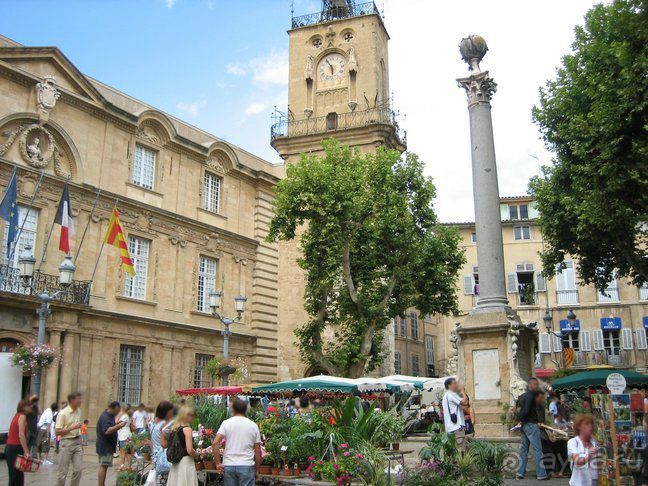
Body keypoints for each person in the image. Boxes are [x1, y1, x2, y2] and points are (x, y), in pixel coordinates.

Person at [213, 398, 262, 486]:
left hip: (229, 464)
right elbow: (258, 450)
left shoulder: (226, 423)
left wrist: (218, 463)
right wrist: (257, 469)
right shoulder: (253, 425)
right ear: (245, 410)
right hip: (246, 464)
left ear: (233, 409)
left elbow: (215, 443)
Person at [515, 378, 549, 480]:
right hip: (531, 424)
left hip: (525, 424)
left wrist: (521, 421)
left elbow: (522, 411)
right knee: (538, 450)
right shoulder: (530, 396)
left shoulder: (525, 396)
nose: (536, 386)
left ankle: (520, 472)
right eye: (534, 384)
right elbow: (525, 410)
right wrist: (523, 419)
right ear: (529, 385)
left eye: (536, 384)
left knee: (524, 450)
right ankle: (541, 474)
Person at [55, 392, 84, 486]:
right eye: (78, 399)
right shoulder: (63, 413)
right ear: (72, 400)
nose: (80, 401)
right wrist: (72, 427)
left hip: (77, 442)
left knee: (78, 470)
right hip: (66, 442)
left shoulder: (79, 411)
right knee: (63, 472)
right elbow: (57, 431)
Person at [166, 405, 198, 486]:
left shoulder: (174, 429)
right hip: (186, 463)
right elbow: (190, 450)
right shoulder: (187, 429)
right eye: (192, 415)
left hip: (176, 463)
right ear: (187, 416)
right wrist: (197, 454)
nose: (193, 418)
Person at [96, 401, 127, 486]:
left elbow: (110, 427)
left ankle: (102, 484)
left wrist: (116, 424)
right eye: (116, 411)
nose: (117, 413)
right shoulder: (106, 417)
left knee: (105, 466)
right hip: (105, 446)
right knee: (103, 465)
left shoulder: (109, 416)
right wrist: (119, 426)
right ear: (112, 409)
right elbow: (106, 430)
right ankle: (101, 484)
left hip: (107, 446)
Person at [5, 398, 33, 486]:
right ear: (24, 407)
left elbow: (10, 433)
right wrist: (26, 451)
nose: (31, 408)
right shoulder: (22, 416)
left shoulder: (16, 415)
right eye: (29, 406)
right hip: (15, 448)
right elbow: (21, 435)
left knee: (14, 475)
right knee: (17, 476)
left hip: (10, 447)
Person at [567, 414, 598, 486]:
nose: (590, 426)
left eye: (591, 424)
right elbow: (578, 462)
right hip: (579, 483)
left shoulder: (595, 442)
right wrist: (589, 455)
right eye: (587, 424)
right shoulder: (573, 442)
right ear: (579, 427)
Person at [151, 400, 175, 486]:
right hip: (164, 459)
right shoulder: (165, 425)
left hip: (156, 457)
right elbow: (165, 444)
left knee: (161, 482)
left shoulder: (154, 424)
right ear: (167, 412)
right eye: (171, 411)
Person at [442, 377, 467, 450]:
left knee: (453, 450)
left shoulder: (445, 396)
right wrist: (462, 391)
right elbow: (465, 402)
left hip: (449, 427)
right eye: (454, 383)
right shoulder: (452, 394)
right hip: (457, 427)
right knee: (461, 449)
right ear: (449, 385)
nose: (456, 385)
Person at [117, 404, 135, 470]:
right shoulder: (129, 416)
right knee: (128, 452)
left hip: (123, 435)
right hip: (128, 435)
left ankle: (121, 466)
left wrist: (119, 415)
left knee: (122, 452)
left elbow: (116, 422)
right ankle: (129, 466)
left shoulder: (124, 416)